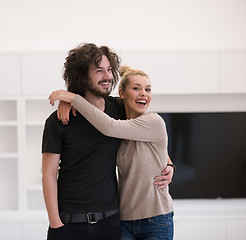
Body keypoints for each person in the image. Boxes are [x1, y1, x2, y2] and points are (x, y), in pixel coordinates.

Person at [42, 43, 174, 240]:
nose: (107, 76)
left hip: (110, 223)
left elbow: (151, 138)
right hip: (69, 223)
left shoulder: (120, 109)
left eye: (109, 70)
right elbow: (48, 174)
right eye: (99, 71)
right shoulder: (59, 120)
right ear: (81, 76)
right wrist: (55, 222)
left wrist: (169, 164)